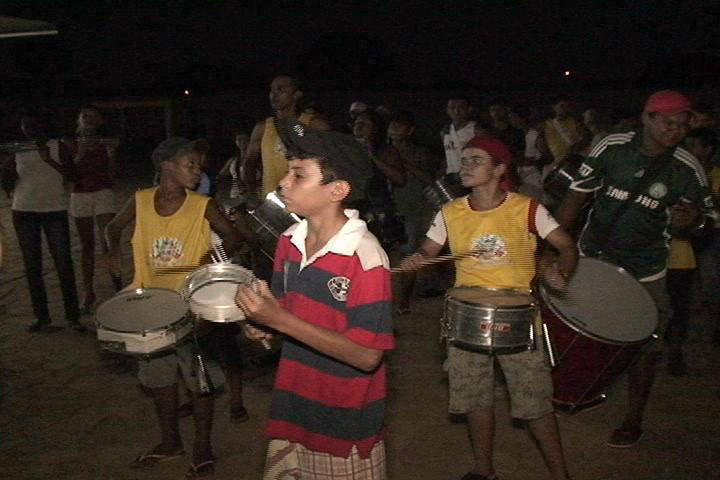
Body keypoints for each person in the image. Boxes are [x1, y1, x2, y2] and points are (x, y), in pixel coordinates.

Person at [400, 135, 577, 480]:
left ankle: (561, 475)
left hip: (518, 314)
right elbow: (427, 252)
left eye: (475, 160)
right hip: (466, 313)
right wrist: (413, 262)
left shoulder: (527, 209)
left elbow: (566, 246)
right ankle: (484, 470)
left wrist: (559, 271)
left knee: (535, 403)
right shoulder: (450, 212)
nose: (465, 166)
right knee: (474, 399)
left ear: (499, 169)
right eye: (463, 160)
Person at [554, 90, 714, 447]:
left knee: (645, 343)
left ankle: (633, 419)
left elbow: (708, 221)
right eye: (667, 122)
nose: (675, 130)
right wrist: (553, 244)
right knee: (581, 329)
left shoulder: (686, 168)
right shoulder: (611, 147)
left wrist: (696, 222)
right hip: (594, 258)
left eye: (682, 125)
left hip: (647, 269)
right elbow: (575, 198)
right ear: (646, 118)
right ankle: (577, 391)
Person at [236, 118, 394, 480]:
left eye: (298, 174)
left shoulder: (364, 257)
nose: (283, 182)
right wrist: (264, 326)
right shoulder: (288, 242)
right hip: (292, 408)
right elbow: (288, 315)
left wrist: (278, 321)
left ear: (337, 190)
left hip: (342, 423)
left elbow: (368, 355)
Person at [105, 137, 245, 477]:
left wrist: (211, 258)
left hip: (193, 307)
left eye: (199, 165)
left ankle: (202, 446)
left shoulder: (202, 205)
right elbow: (112, 227)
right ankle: (171, 442)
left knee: (198, 380)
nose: (198, 171)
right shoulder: (139, 200)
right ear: (166, 165)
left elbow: (236, 236)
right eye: (191, 164)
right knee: (160, 378)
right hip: (151, 306)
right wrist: (113, 251)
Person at [7, 113, 83, 332]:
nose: (28, 129)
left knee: (63, 264)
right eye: (25, 125)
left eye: (32, 125)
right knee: (32, 267)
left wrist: (49, 160)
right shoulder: (18, 149)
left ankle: (72, 317)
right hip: (23, 210)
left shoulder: (57, 146)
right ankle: (41, 316)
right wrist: (6, 167)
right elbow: (10, 181)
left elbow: (73, 176)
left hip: (53, 210)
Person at [63, 106, 120, 312]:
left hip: (103, 192)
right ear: (79, 119)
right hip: (80, 194)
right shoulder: (70, 143)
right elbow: (68, 173)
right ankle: (88, 292)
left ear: (100, 121)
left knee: (108, 242)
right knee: (87, 246)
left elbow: (112, 175)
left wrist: (111, 155)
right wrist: (80, 153)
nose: (88, 119)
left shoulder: (105, 142)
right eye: (84, 115)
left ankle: (118, 287)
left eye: (93, 116)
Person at [242, 74, 329, 204]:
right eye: (272, 90)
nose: (274, 95)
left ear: (296, 94)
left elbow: (330, 162)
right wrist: (252, 191)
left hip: (305, 201)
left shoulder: (312, 125)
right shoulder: (263, 127)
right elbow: (248, 162)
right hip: (272, 202)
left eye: (281, 90)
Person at [387, 110, 437, 313]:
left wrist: (403, 163)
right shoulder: (381, 150)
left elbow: (429, 179)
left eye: (400, 126)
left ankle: (404, 301)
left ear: (410, 130)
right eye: (392, 125)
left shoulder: (418, 153)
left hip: (410, 209)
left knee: (408, 256)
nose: (395, 129)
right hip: (386, 210)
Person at [684, 127, 720, 348]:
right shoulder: (684, 172)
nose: (690, 151)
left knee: (710, 283)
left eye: (695, 146)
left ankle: (715, 326)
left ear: (708, 149)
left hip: (711, 233)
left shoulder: (715, 175)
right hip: (687, 234)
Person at [353, 109, 406, 250]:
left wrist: (373, 157)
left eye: (365, 124)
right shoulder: (348, 148)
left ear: (376, 129)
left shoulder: (386, 151)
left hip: (380, 215)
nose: (359, 127)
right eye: (357, 123)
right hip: (354, 211)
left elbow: (400, 180)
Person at [542, 95, 585, 167]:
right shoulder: (547, 125)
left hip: (574, 159)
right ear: (554, 107)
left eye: (567, 107)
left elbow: (584, 138)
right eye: (562, 106)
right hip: (558, 162)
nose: (564, 109)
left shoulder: (574, 122)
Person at [443, 94, 476, 175]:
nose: (456, 112)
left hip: (471, 177)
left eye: (461, 108)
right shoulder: (445, 132)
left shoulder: (476, 131)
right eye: (452, 108)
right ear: (447, 110)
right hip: (453, 179)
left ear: (469, 109)